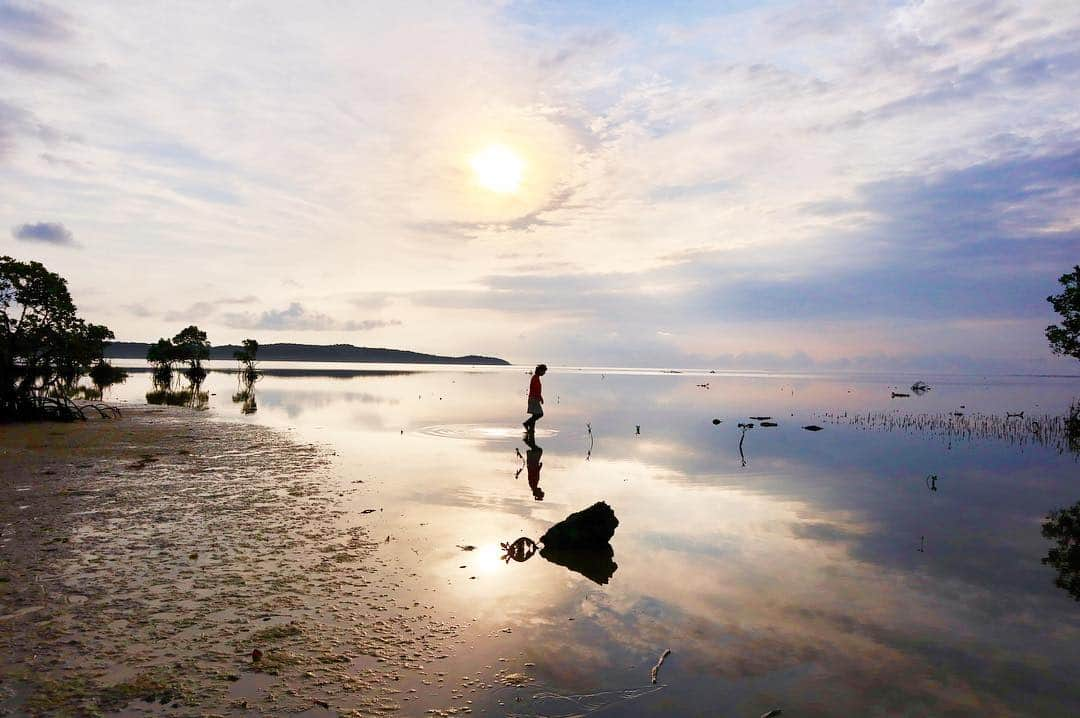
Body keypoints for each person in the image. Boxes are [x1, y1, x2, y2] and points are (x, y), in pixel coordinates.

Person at [523, 364, 547, 433]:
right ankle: (527, 423)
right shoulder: (535, 378)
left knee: (535, 414)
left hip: (534, 398)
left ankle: (531, 429)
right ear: (540, 371)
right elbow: (536, 390)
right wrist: (540, 398)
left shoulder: (536, 377)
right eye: (543, 371)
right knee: (539, 414)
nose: (544, 373)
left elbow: (537, 390)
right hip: (534, 399)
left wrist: (540, 397)